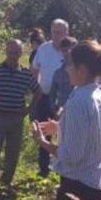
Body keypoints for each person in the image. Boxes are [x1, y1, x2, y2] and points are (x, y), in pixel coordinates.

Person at [31, 40, 101, 200]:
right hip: (97, 181)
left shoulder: (79, 101)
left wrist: (43, 142)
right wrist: (60, 126)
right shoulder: (99, 94)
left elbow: (72, 156)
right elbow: (91, 133)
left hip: (78, 187)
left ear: (82, 69)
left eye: (69, 65)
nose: (66, 70)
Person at [0, 39, 42, 195]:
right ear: (6, 52)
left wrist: (28, 109)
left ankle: (5, 183)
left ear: (20, 53)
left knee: (13, 152)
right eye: (10, 52)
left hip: (17, 118)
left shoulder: (25, 74)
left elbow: (38, 92)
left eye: (16, 53)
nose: (13, 56)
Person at [31, 19, 70, 176]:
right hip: (44, 96)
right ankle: (44, 168)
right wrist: (36, 90)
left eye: (60, 32)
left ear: (66, 33)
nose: (56, 35)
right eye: (54, 31)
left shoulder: (71, 50)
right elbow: (34, 69)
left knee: (65, 133)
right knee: (44, 131)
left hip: (65, 100)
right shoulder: (43, 48)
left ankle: (65, 167)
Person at [49, 37, 78, 118]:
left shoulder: (84, 72)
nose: (67, 53)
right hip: (62, 115)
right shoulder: (58, 73)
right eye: (64, 50)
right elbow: (52, 95)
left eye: (70, 50)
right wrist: (54, 111)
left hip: (80, 113)